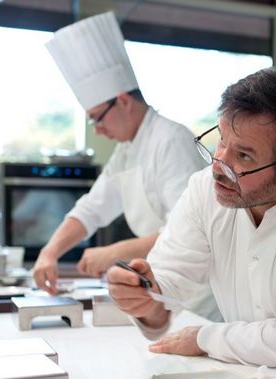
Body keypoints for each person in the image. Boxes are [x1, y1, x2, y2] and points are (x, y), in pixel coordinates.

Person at [107, 68, 276, 369]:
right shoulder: (203, 189)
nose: (219, 166)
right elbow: (168, 283)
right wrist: (144, 294)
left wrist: (202, 338)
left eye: (244, 157)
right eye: (221, 141)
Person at [33, 11, 203, 294]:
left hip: (194, 293)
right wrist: (49, 252)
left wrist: (115, 252)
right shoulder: (127, 149)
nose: (97, 129)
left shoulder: (171, 140)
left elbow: (188, 232)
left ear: (123, 101)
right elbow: (92, 208)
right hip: (160, 287)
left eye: (97, 118)